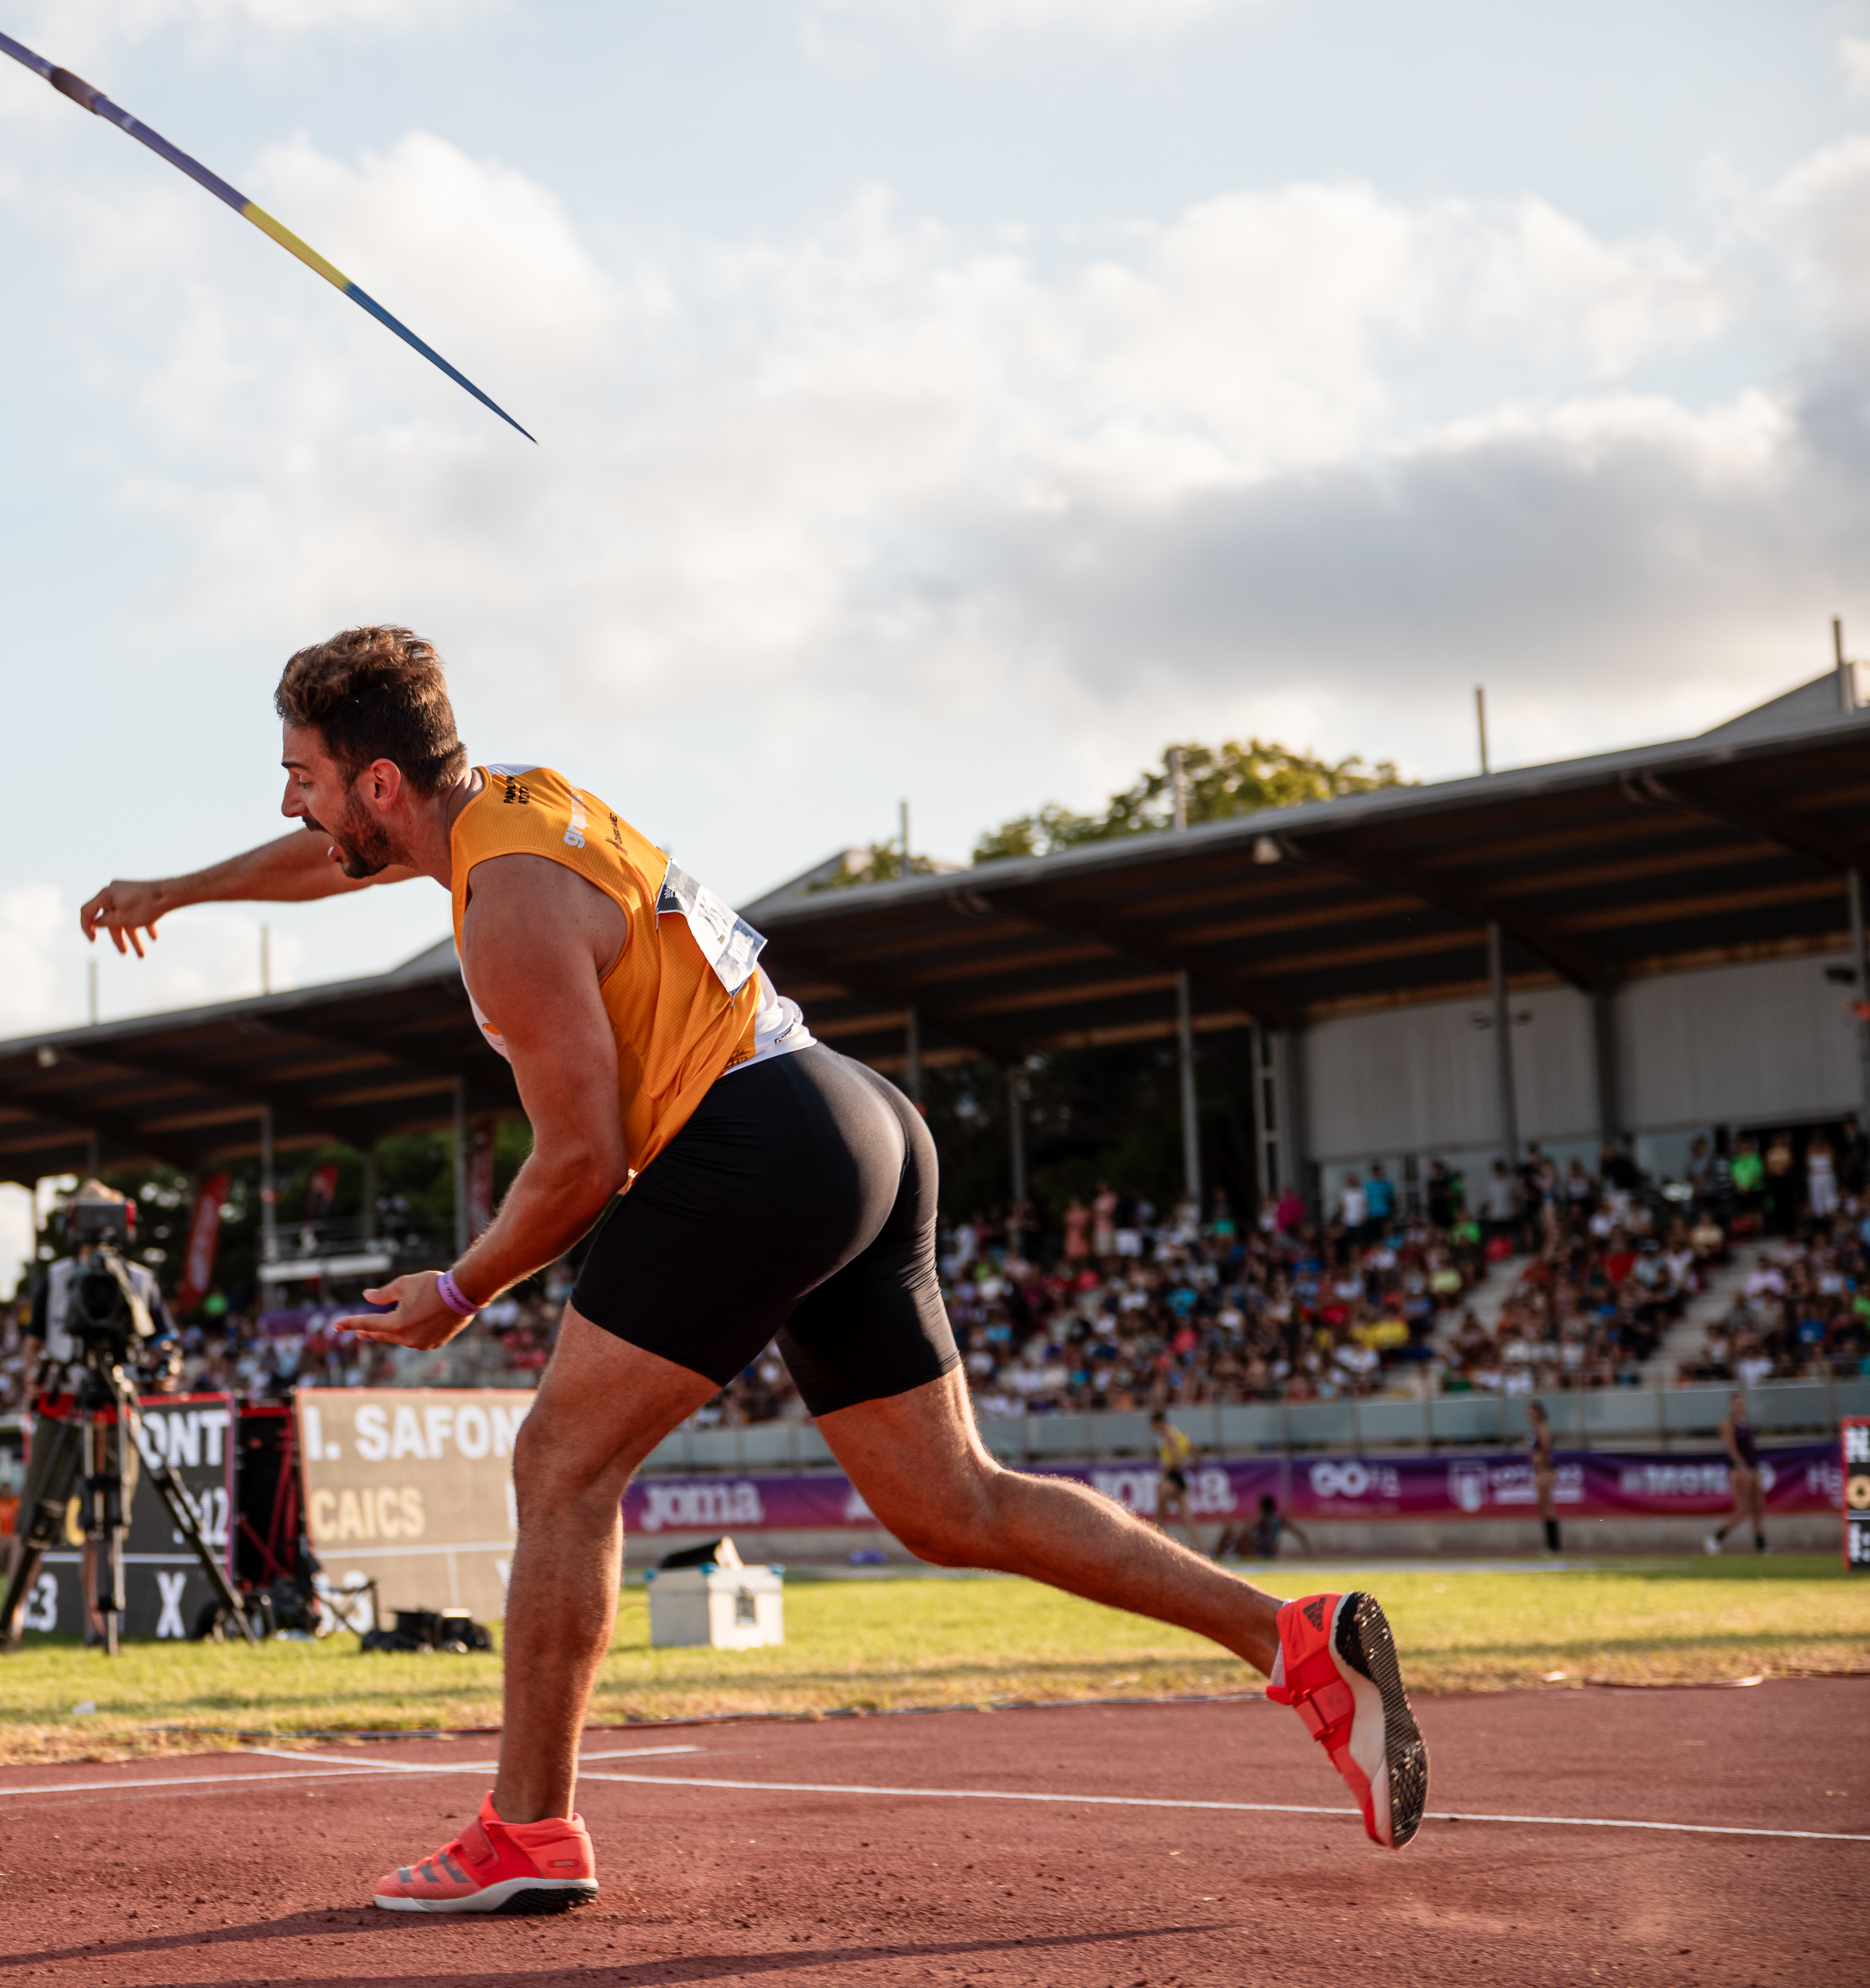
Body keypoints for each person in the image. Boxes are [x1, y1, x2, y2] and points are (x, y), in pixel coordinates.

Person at [79, 627, 1429, 1912]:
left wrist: (459, 1288)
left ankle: (527, 1829)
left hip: (752, 1144)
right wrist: (180, 891)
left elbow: (581, 1163)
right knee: (949, 1501)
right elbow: (345, 861)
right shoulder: (513, 803)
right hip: (848, 1114)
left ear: (378, 780)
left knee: (561, 1464)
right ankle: (1295, 1639)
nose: (292, 799)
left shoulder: (505, 909)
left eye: (304, 777)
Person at [1707, 1384, 1766, 1555]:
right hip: (1739, 1470)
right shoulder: (1728, 1424)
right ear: (1732, 1405)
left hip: (1752, 1469)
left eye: (1742, 1403)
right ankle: (1716, 1538)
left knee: (1758, 1508)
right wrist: (1743, 1469)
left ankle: (1761, 1546)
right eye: (1737, 1403)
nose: (1740, 1406)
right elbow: (1732, 1450)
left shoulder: (1746, 1424)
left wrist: (1755, 1470)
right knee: (1743, 1509)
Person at [1150, 1408, 1197, 1549]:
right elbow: (1194, 1451)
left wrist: (1166, 1469)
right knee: (1186, 1517)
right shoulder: (1178, 1432)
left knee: (1160, 1514)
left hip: (1173, 1476)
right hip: (1179, 1477)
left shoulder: (1169, 1435)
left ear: (1158, 1423)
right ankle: (1202, 1550)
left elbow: (1175, 1460)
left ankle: (1157, 1546)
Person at [1526, 1400, 1560, 1555]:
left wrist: (1541, 1465)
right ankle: (1551, 1545)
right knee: (1544, 1508)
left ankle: (1553, 1546)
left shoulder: (1543, 1428)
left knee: (1547, 1507)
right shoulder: (1535, 1430)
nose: (1530, 1416)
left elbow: (1546, 1448)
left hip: (1545, 1471)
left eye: (1532, 1413)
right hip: (1540, 1470)